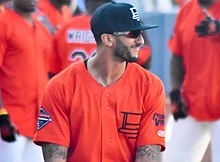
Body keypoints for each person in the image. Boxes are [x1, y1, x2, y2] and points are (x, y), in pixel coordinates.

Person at [33, 2, 166, 162]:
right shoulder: (60, 86)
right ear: (108, 39)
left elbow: (149, 156)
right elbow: (55, 157)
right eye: (133, 33)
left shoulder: (150, 86)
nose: (141, 41)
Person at [162, 0, 220, 162]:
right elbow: (176, 55)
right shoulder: (186, 11)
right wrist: (174, 92)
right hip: (191, 103)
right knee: (172, 159)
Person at [0, 0, 52, 161]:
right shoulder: (3, 22)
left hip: (38, 121)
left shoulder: (42, 28)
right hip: (10, 119)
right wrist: (1, 113)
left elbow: (49, 74)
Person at [49, 0, 153, 77]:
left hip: (71, 90)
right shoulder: (118, 27)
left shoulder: (66, 28)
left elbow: (53, 72)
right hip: (110, 89)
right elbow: (145, 60)